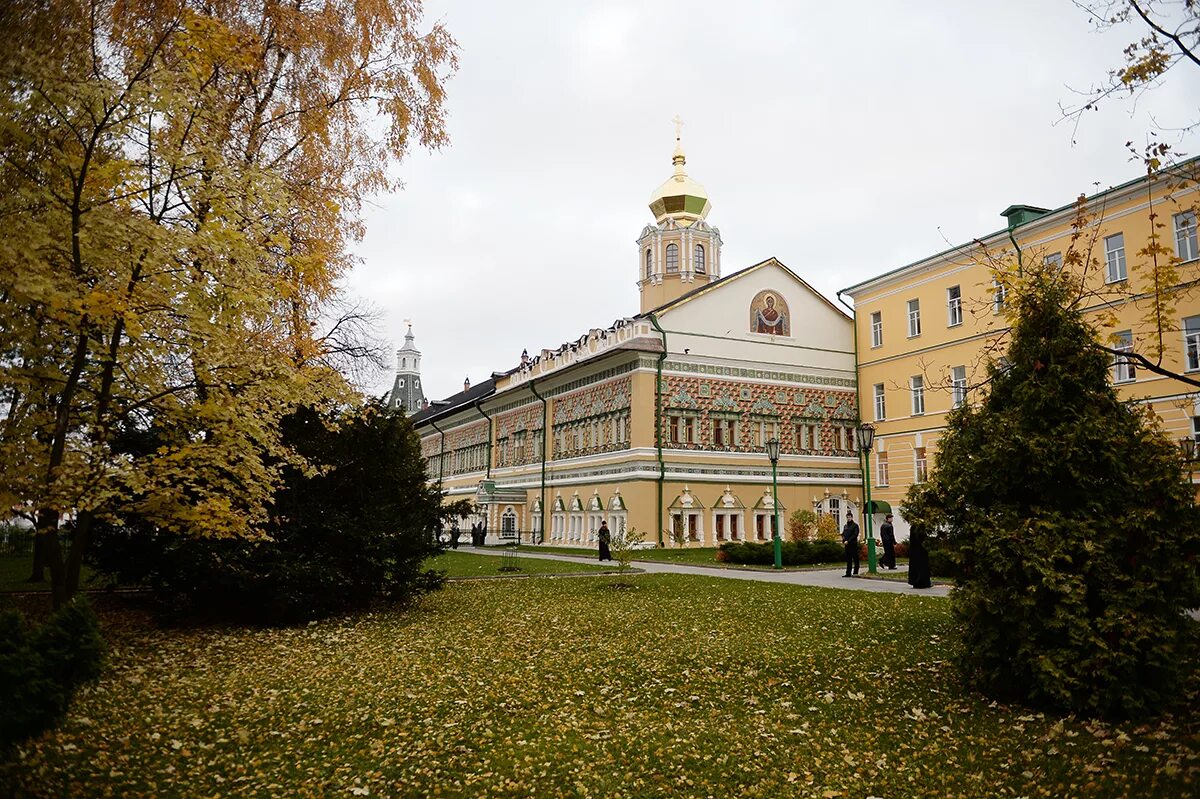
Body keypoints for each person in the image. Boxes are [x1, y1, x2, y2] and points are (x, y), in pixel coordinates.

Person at [841, 512, 860, 577]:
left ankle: (855, 572)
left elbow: (855, 534)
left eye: (849, 517)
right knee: (848, 559)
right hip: (847, 545)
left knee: (855, 558)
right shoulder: (846, 526)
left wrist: (848, 541)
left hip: (853, 544)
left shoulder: (855, 525)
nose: (848, 518)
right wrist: (843, 540)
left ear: (852, 517)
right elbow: (843, 534)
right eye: (847, 517)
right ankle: (848, 573)